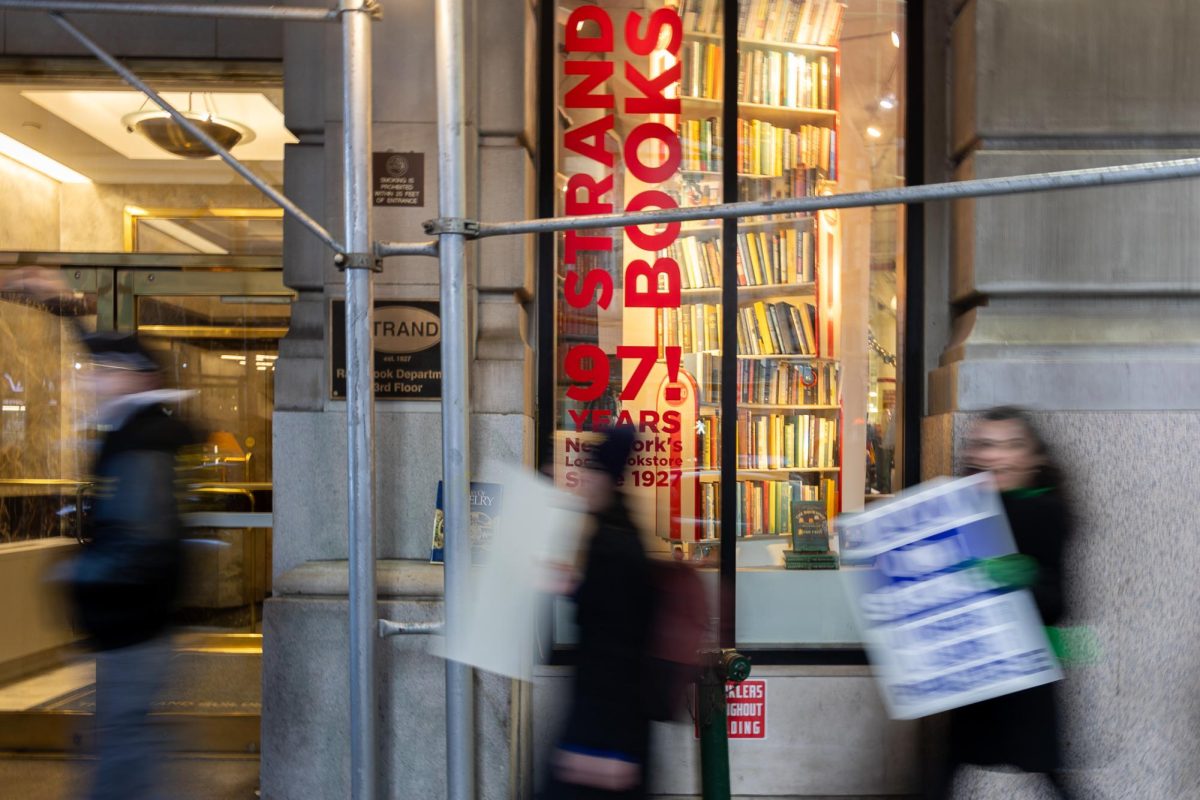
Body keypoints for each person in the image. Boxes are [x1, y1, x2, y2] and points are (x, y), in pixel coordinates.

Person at [3, 270, 196, 799]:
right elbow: (109, 349)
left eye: (103, 372)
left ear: (136, 380)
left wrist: (78, 574)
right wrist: (57, 304)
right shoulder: (138, 427)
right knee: (129, 741)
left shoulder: (141, 445)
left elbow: (141, 540)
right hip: (135, 620)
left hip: (132, 620)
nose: (90, 379)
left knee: (121, 746)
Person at [930, 406, 1075, 799]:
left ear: (1033, 457)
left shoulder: (1045, 512)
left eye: (1011, 445)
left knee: (1047, 770)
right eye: (986, 445)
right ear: (974, 455)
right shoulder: (963, 510)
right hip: (978, 668)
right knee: (947, 768)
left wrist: (1018, 575)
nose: (996, 456)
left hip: (1025, 672)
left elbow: (1058, 603)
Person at [547, 425, 655, 799]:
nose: (583, 485)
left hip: (605, 731)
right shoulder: (621, 533)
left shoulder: (611, 543)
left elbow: (615, 640)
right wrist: (573, 588)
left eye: (590, 476)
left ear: (605, 480)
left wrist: (612, 750)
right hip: (613, 729)